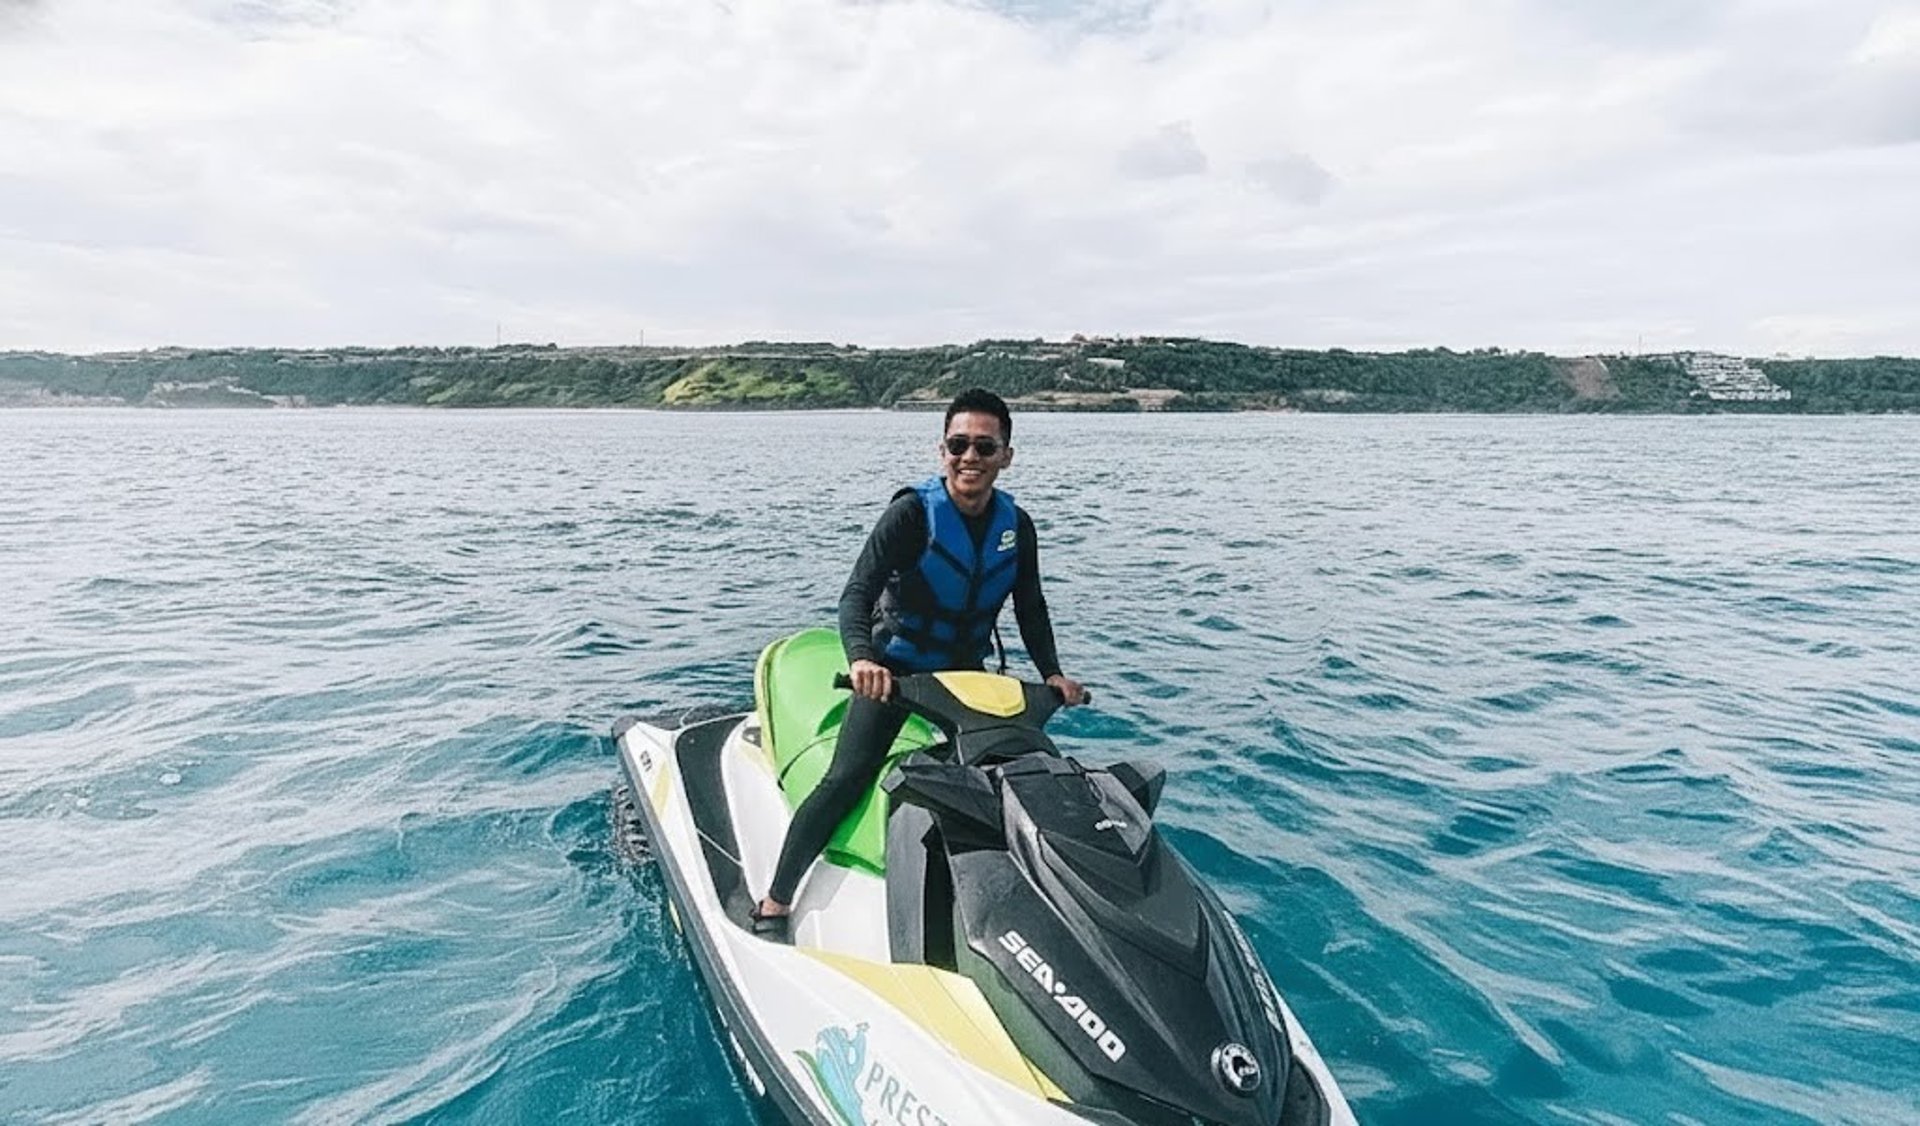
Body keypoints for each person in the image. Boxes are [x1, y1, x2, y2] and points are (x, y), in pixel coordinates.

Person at [753, 387, 1085, 932]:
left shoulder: (1016, 526)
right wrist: (863, 660)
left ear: (1006, 455)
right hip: (896, 672)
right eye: (959, 445)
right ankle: (775, 900)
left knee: (1001, 778)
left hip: (963, 678)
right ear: (942, 451)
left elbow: (1030, 604)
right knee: (845, 779)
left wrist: (1052, 674)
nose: (970, 457)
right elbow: (856, 595)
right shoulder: (911, 514)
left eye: (984, 446)